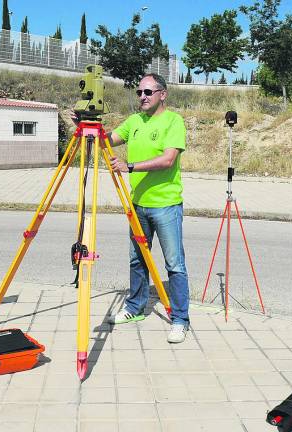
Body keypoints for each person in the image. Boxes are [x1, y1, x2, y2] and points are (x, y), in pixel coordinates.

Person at [80, 73, 190, 343]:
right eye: (140, 92)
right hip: (137, 204)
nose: (142, 96)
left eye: (148, 92)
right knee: (137, 259)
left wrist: (129, 167)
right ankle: (135, 308)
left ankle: (179, 320)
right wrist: (88, 127)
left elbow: (167, 159)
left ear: (162, 94)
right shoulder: (135, 121)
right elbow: (110, 139)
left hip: (165, 204)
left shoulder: (173, 121)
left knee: (174, 265)